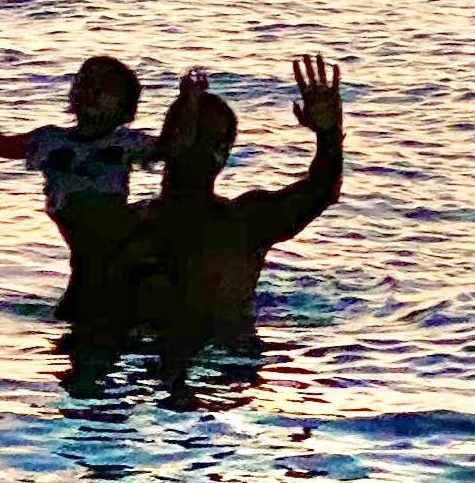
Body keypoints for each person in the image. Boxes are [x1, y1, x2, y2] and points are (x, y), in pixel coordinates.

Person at [110, 55, 345, 352]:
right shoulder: (129, 222)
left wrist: (328, 135)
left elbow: (321, 191)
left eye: (202, 136)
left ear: (222, 152)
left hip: (222, 357)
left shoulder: (243, 223)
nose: (190, 143)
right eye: (184, 128)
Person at [0, 54, 159, 314]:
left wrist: (190, 100)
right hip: (85, 253)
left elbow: (174, 148)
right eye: (84, 81)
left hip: (116, 243)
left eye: (106, 87)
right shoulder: (49, 140)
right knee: (82, 295)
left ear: (125, 107)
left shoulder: (127, 143)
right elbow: (0, 146)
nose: (91, 90)